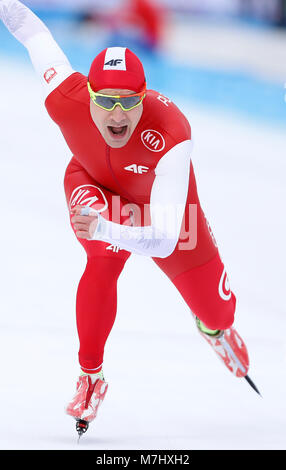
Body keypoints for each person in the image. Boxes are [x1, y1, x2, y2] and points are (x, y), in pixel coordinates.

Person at [0, 0, 256, 437]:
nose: (116, 115)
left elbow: (164, 237)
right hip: (94, 184)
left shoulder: (173, 133)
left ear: (143, 97)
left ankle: (213, 327)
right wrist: (105, 230)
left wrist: (107, 227)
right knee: (104, 253)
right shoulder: (65, 97)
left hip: (166, 213)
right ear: (89, 94)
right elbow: (28, 27)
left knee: (219, 311)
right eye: (104, 101)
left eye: (128, 102)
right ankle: (90, 376)